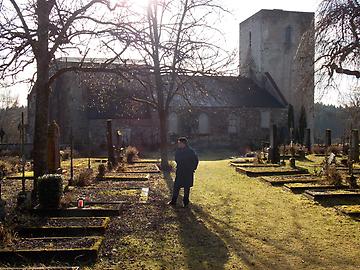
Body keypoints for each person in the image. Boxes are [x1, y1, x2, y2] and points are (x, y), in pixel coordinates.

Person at [168, 137, 199, 208]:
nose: (178, 144)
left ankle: (186, 202)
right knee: (176, 186)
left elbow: (195, 160)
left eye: (179, 143)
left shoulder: (190, 151)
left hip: (188, 172)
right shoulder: (178, 151)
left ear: (183, 143)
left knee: (186, 187)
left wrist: (192, 168)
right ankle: (173, 201)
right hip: (180, 171)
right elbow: (176, 159)